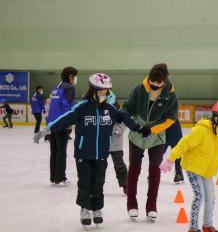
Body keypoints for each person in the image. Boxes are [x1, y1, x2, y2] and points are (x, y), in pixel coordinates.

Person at [34, 73, 150, 227]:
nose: (105, 94)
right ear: (93, 91)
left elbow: (125, 118)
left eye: (107, 91)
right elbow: (65, 119)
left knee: (98, 183)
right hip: (83, 153)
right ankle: (85, 209)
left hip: (101, 153)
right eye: (102, 91)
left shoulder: (110, 109)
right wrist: (47, 130)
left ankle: (97, 209)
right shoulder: (82, 108)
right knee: (85, 183)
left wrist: (140, 129)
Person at [160, 100, 218, 232]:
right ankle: (193, 228)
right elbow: (184, 144)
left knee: (210, 197)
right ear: (217, 119)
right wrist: (170, 159)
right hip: (193, 168)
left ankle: (207, 225)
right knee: (200, 196)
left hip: (207, 171)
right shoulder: (201, 131)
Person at [122, 63, 178, 221]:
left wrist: (152, 129)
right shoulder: (138, 89)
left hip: (157, 137)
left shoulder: (171, 95)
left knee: (155, 171)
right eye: (152, 82)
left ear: (164, 81)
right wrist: (124, 114)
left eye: (158, 84)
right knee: (134, 168)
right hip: (137, 134)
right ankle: (131, 203)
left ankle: (151, 205)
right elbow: (128, 107)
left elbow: (171, 118)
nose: (154, 85)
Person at [46, 66, 78, 185]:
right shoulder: (69, 88)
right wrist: (68, 123)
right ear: (71, 77)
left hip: (52, 123)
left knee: (54, 150)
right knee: (61, 151)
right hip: (61, 123)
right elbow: (66, 106)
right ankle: (60, 177)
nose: (75, 79)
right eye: (75, 76)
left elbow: (52, 106)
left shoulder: (57, 87)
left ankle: (54, 177)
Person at [106, 90, 128, 194]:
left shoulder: (119, 111)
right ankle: (96, 185)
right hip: (102, 143)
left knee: (119, 165)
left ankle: (126, 184)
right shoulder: (99, 109)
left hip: (116, 143)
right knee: (99, 166)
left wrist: (119, 128)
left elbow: (124, 122)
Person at [163, 118, 184, 183]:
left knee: (177, 154)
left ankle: (179, 173)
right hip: (164, 133)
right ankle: (154, 172)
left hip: (175, 132)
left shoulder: (171, 109)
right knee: (158, 153)